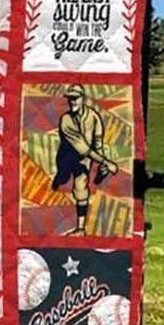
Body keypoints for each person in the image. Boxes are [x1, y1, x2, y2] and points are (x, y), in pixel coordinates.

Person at [51, 85, 118, 236]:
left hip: (83, 160)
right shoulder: (66, 120)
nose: (72, 101)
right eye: (70, 99)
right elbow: (83, 148)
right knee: (62, 179)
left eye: (75, 98)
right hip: (67, 157)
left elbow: (97, 143)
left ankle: (80, 228)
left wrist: (102, 165)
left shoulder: (94, 117)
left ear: (83, 99)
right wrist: (107, 163)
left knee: (80, 188)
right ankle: (59, 178)